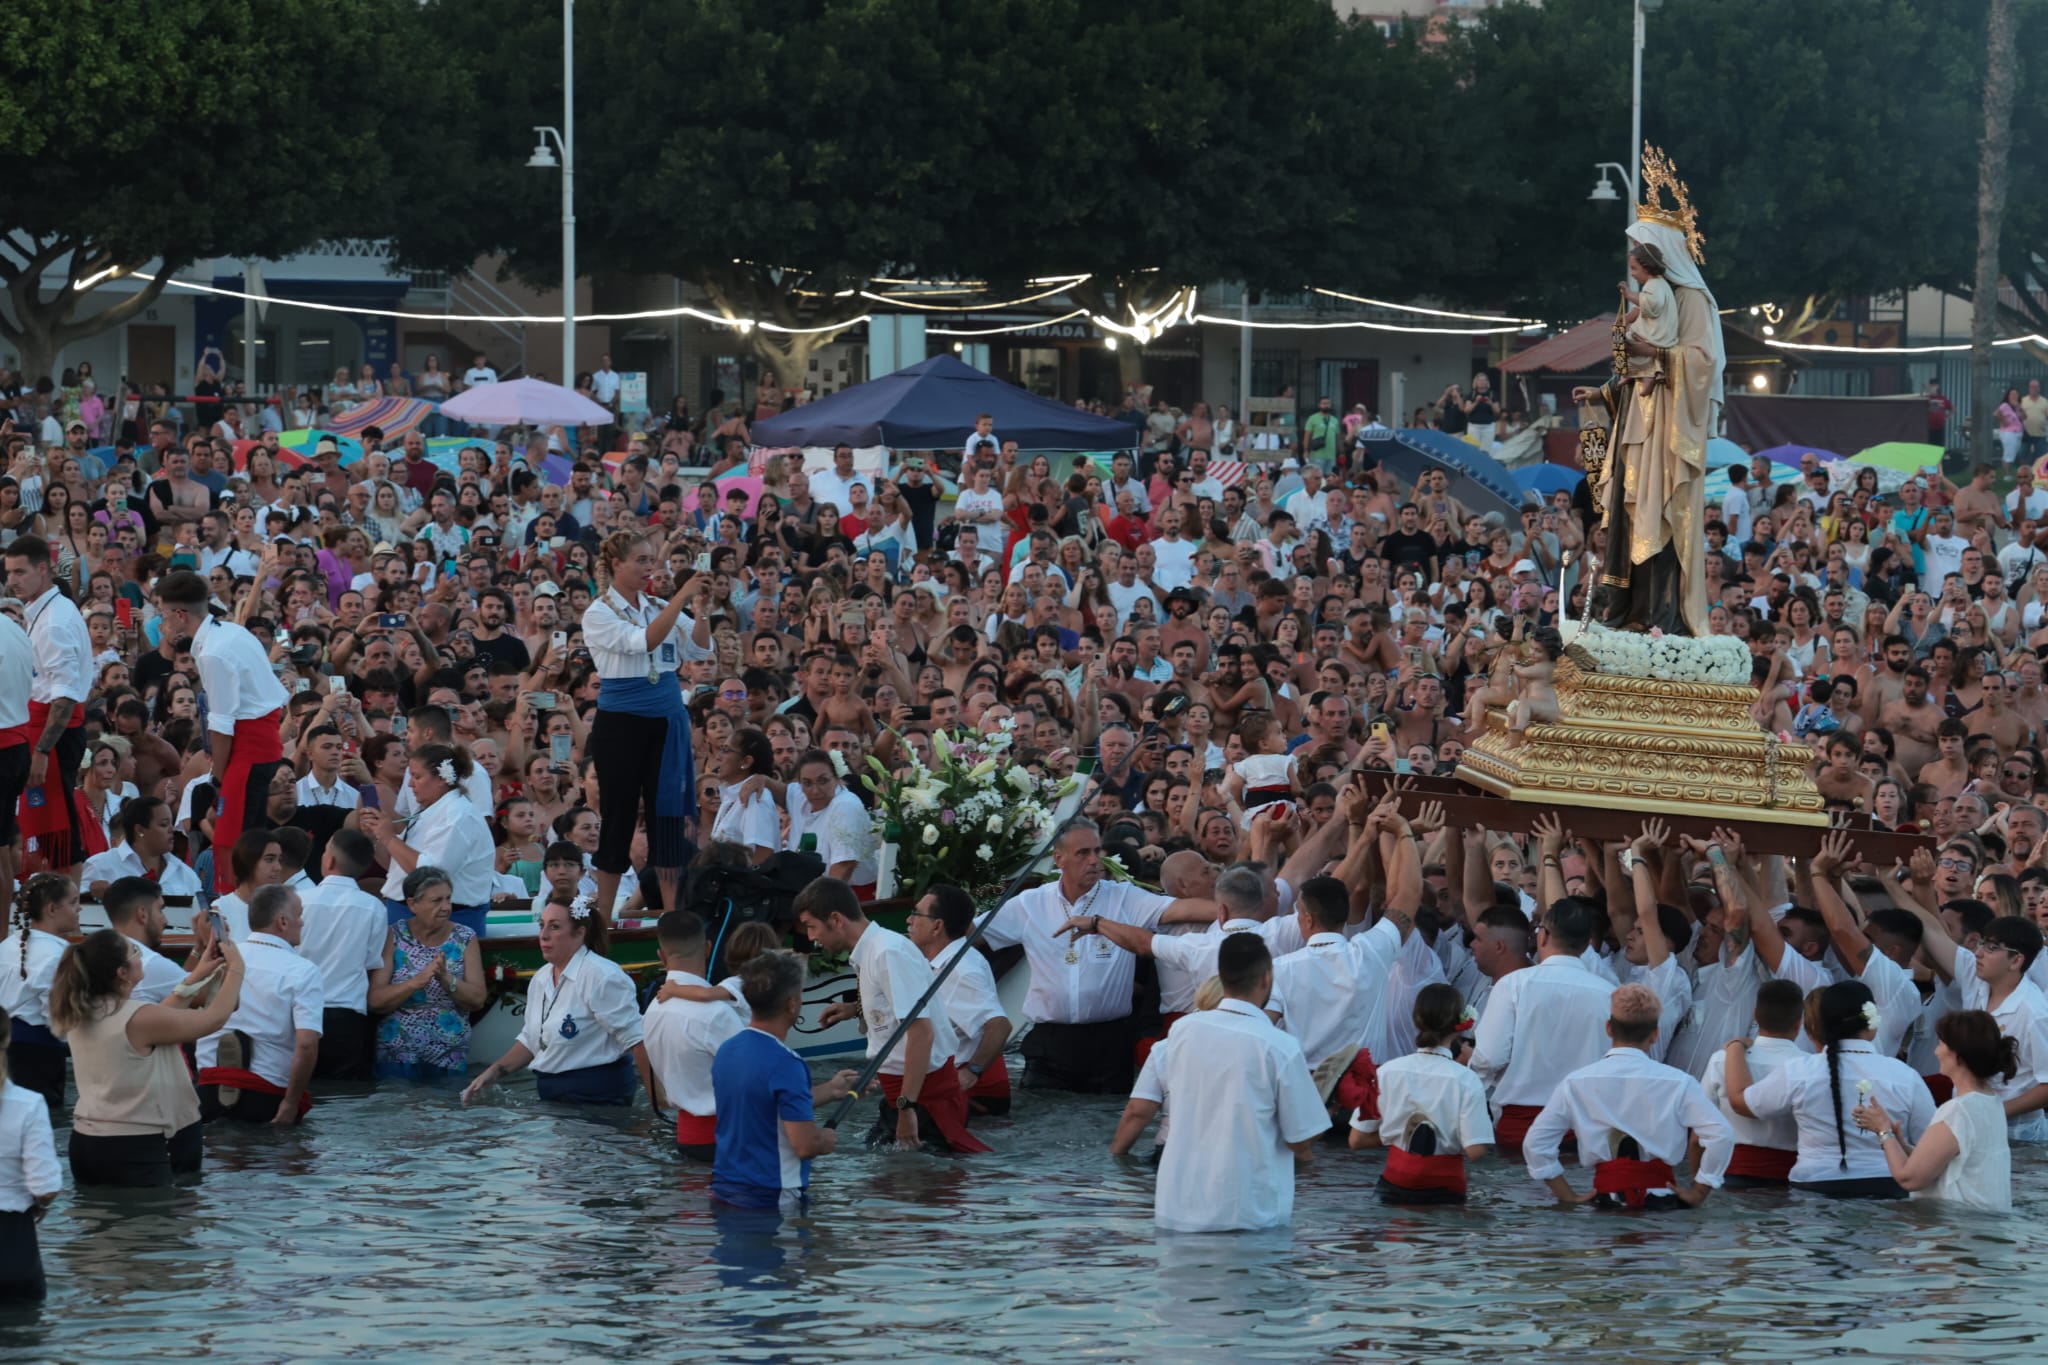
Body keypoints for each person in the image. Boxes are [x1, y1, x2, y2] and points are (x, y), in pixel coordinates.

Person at [1568, 156, 1722, 634]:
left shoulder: (1693, 300)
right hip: (1639, 414)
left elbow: (1703, 362)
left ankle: (1661, 616)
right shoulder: (1658, 296)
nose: (1634, 261)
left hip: (1668, 427)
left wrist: (1655, 357)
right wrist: (1602, 391)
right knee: (1626, 508)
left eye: (1638, 251)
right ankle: (1625, 608)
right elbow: (1636, 360)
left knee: (1659, 511)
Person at [981, 817, 1216, 1095]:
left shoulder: (1125, 898)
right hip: (1050, 1045)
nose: (1094, 860)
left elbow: (1183, 910)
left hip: (1110, 1045)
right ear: (1060, 859)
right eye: (1083, 853)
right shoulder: (1030, 904)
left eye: (1097, 851)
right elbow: (971, 933)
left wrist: (1241, 911)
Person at [1140, 932, 1327, 1233]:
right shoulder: (1279, 1045)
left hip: (1177, 1209)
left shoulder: (1180, 1033)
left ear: (1222, 977)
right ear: (1266, 979)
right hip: (1247, 1214)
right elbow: (1299, 1138)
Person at [800, 877, 989, 1154]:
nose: (810, 937)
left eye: (811, 926)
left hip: (922, 1098)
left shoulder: (888, 952)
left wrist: (906, 1107)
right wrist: (856, 1010)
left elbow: (921, 1033)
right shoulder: (870, 952)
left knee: (926, 1189)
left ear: (836, 919)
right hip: (900, 1093)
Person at [582, 529, 712, 917]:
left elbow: (700, 647)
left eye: (650, 560)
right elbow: (644, 642)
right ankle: (603, 919)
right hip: (622, 722)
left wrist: (701, 608)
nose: (648, 567)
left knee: (668, 820)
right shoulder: (599, 612)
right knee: (619, 816)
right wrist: (680, 599)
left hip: (666, 719)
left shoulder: (658, 605)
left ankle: (673, 917)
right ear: (615, 565)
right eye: (641, 560)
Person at [48, 928, 242, 1186]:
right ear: (122, 973)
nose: (140, 956)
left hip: (88, 1142)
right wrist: (237, 968)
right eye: (135, 952)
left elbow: (159, 1017)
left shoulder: (83, 1009)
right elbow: (213, 1019)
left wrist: (199, 974)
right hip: (134, 1147)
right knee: (152, 1225)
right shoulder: (138, 1017)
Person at [1524, 983, 1731, 1210]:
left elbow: (1536, 1145)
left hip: (1604, 1203)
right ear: (1655, 1035)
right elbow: (1721, 1134)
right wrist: (1701, 1189)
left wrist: (1567, 1196)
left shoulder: (1576, 1082)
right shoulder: (1680, 1082)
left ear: (1609, 1029)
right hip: (1664, 1205)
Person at [1723, 979, 1935, 1199]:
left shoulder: (1800, 1071)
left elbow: (1741, 1102)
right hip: (1888, 1189)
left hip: (1814, 1190)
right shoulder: (1905, 1076)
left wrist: (1735, 1048)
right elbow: (1930, 1144)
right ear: (1872, 1023)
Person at [153, 570, 289, 893]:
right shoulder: (230, 632)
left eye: (162, 615)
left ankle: (241, 912)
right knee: (248, 839)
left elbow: (222, 725)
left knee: (237, 844)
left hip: (248, 751)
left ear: (180, 615)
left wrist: (219, 777)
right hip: (260, 745)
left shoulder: (214, 651)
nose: (162, 624)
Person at [462, 894, 651, 1106]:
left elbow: (637, 1040)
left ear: (580, 933)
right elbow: (532, 1039)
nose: (543, 935)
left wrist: (657, 1105)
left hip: (598, 1094)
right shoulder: (541, 977)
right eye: (541, 926)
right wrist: (494, 1071)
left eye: (554, 927)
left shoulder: (601, 976)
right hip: (552, 1094)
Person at [710, 949, 857, 1209]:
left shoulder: (727, 1050)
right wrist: (823, 1140)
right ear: (791, 1004)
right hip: (772, 1196)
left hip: (725, 1189)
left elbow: (767, 1107)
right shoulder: (787, 1063)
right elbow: (804, 1145)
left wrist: (833, 1090)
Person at [1468, 896, 1614, 1149]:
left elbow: (1489, 1057)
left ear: (1543, 936)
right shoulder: (1609, 994)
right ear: (1584, 945)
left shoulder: (1514, 985)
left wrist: (1471, 1081)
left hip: (1522, 1127)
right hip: (1584, 1129)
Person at [1852, 1008, 2014, 1211]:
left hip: (1958, 1232)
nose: (1936, 1051)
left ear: (1958, 1056)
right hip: (1983, 1227)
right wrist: (1900, 1144)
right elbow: (1948, 1164)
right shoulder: (1992, 1102)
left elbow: (1909, 1179)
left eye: (1941, 1044)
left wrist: (1883, 1131)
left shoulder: (1958, 1110)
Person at [1348, 983, 1492, 1205]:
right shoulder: (1466, 1079)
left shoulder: (1385, 1072)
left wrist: (1398, 1133)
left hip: (1394, 1182)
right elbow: (1476, 1150)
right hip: (1445, 1187)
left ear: (1417, 1021)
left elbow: (1356, 1140)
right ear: (1460, 1026)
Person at [196, 884, 324, 1125]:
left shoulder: (222, 959)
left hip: (209, 1088)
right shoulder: (303, 971)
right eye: (299, 916)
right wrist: (290, 1104)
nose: (302, 923)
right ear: (282, 922)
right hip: (265, 1094)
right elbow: (307, 1044)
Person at [7, 535, 93, 876]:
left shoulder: (55, 621)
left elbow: (65, 695)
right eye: (9, 572)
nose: (12, 580)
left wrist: (42, 750)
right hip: (41, 724)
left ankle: (65, 902)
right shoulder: (45, 610)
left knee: (58, 821)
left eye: (20, 572)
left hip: (53, 733)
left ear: (43, 569)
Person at [297, 829, 399, 1080]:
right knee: (346, 1096)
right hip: (348, 1013)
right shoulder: (374, 907)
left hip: (302, 1011)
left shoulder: (299, 900)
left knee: (303, 1089)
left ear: (329, 860)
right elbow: (371, 961)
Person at [363, 744, 495, 935]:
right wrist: (377, 835)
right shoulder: (432, 809)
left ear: (441, 779)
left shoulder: (457, 815)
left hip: (447, 921)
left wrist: (389, 837)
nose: (409, 784)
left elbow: (430, 876)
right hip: (409, 914)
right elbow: (397, 864)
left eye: (417, 777)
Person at [643, 909, 743, 1159]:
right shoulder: (718, 1013)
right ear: (708, 948)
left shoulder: (652, 1010)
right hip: (729, 1139)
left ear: (661, 956)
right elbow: (755, 1077)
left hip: (685, 1137)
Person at [905, 883, 1013, 1118]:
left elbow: (1000, 1025)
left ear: (937, 926)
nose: (908, 920)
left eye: (916, 914)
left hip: (972, 1097)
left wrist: (971, 1072)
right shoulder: (942, 961)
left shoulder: (962, 970)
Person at [368, 866, 486, 1079]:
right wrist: (416, 982)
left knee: (447, 1111)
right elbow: (375, 1000)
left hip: (448, 1053)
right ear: (413, 904)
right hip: (397, 1051)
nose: (445, 907)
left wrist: (446, 978)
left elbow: (478, 999)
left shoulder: (465, 937)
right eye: (436, 901)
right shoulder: (393, 935)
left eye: (448, 899)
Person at [1698, 977, 1804, 1187]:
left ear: (1755, 1016)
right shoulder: (1809, 1067)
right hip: (1790, 1179)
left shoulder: (1721, 1059)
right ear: (1799, 1022)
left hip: (1729, 1175)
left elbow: (1701, 1126)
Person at [0, 874, 81, 1113]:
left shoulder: (5, 946)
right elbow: (60, 1017)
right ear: (52, 908)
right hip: (37, 1057)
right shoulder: (58, 955)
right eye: (74, 902)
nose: (79, 909)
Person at [0, 1013, 59, 1302]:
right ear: (7, 1039)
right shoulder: (28, 1104)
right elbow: (45, 1187)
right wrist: (40, 1203)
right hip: (13, 1246)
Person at [100, 874, 189, 1006]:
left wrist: (198, 949)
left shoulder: (98, 953)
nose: (165, 920)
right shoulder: (148, 963)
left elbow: (181, 981)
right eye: (160, 910)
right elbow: (208, 994)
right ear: (143, 914)